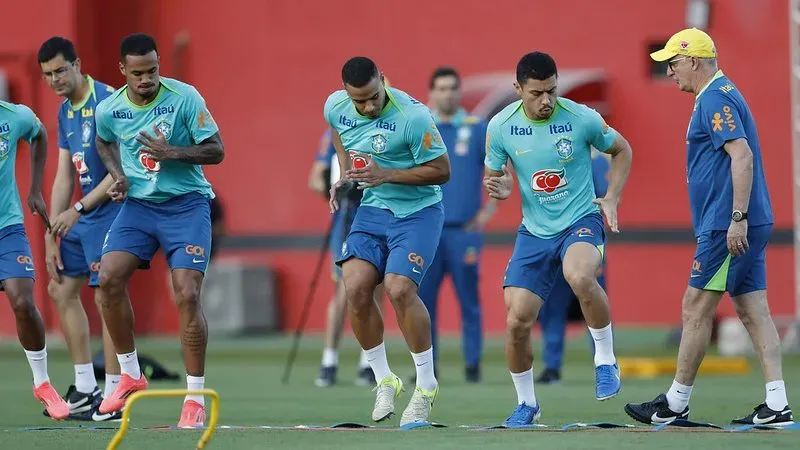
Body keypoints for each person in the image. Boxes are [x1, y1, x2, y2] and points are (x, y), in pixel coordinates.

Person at [625, 28, 793, 426]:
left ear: (694, 61)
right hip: (747, 220)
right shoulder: (722, 93)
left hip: (726, 225)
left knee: (694, 307)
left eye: (673, 63)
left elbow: (742, 155)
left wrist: (736, 218)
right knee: (754, 310)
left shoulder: (715, 98)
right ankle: (777, 403)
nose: (669, 72)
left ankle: (675, 403)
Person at [483, 51, 633, 426]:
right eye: (536, 93)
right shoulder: (500, 126)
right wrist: (499, 188)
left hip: (580, 220)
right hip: (534, 231)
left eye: (552, 90)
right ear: (518, 89)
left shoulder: (581, 118)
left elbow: (622, 150)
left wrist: (612, 196)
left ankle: (605, 360)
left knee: (580, 276)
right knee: (517, 321)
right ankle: (527, 404)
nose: (546, 100)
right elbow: (495, 176)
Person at [92, 33, 224, 428]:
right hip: (139, 208)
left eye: (152, 70)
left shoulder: (185, 98)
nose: (147, 78)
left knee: (187, 292)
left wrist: (173, 153)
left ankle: (195, 397)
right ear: (123, 71)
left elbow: (217, 149)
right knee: (108, 278)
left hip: (187, 205)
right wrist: (118, 175)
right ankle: (131, 373)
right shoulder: (110, 109)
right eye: (138, 73)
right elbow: (103, 141)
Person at [325, 56, 450, 426]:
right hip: (374, 209)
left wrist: (387, 174)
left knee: (398, 289)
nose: (367, 106)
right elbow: (337, 131)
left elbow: (442, 171)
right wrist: (348, 172)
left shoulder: (414, 116)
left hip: (418, 213)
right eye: (358, 100)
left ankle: (426, 386)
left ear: (384, 80)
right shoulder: (335, 105)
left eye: (373, 97)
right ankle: (385, 379)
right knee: (356, 287)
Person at [37, 36, 123, 421]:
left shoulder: (106, 102)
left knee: (107, 295)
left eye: (60, 70)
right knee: (60, 288)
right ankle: (86, 386)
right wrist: (50, 233)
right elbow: (61, 176)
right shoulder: (64, 112)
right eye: (47, 75)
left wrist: (76, 209)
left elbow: (120, 174)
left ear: (77, 64)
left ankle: (115, 391)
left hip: (108, 211)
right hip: (78, 214)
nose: (54, 80)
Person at [417, 66, 493, 383]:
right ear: (431, 93)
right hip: (427, 233)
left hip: (464, 232)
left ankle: (472, 366)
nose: (447, 94)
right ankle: (426, 368)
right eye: (442, 88)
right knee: (422, 303)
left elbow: (498, 171)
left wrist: (486, 214)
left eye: (452, 88)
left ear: (459, 92)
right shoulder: (421, 129)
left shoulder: (476, 128)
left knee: (469, 301)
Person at [0, 97, 70, 420]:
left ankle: (42, 383)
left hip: (8, 228)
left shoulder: (15, 116)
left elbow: (40, 134)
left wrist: (35, 188)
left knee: (22, 301)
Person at [308, 128, 378, 387]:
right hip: (348, 215)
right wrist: (336, 190)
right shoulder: (339, 131)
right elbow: (316, 179)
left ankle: (368, 363)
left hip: (378, 211)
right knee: (344, 288)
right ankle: (329, 361)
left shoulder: (388, 131)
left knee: (376, 287)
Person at [536, 150, 610, 384]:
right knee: (552, 308)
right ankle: (552, 366)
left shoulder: (594, 161)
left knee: (594, 303)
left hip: (583, 239)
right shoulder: (550, 160)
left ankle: (604, 362)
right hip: (554, 241)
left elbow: (600, 199)